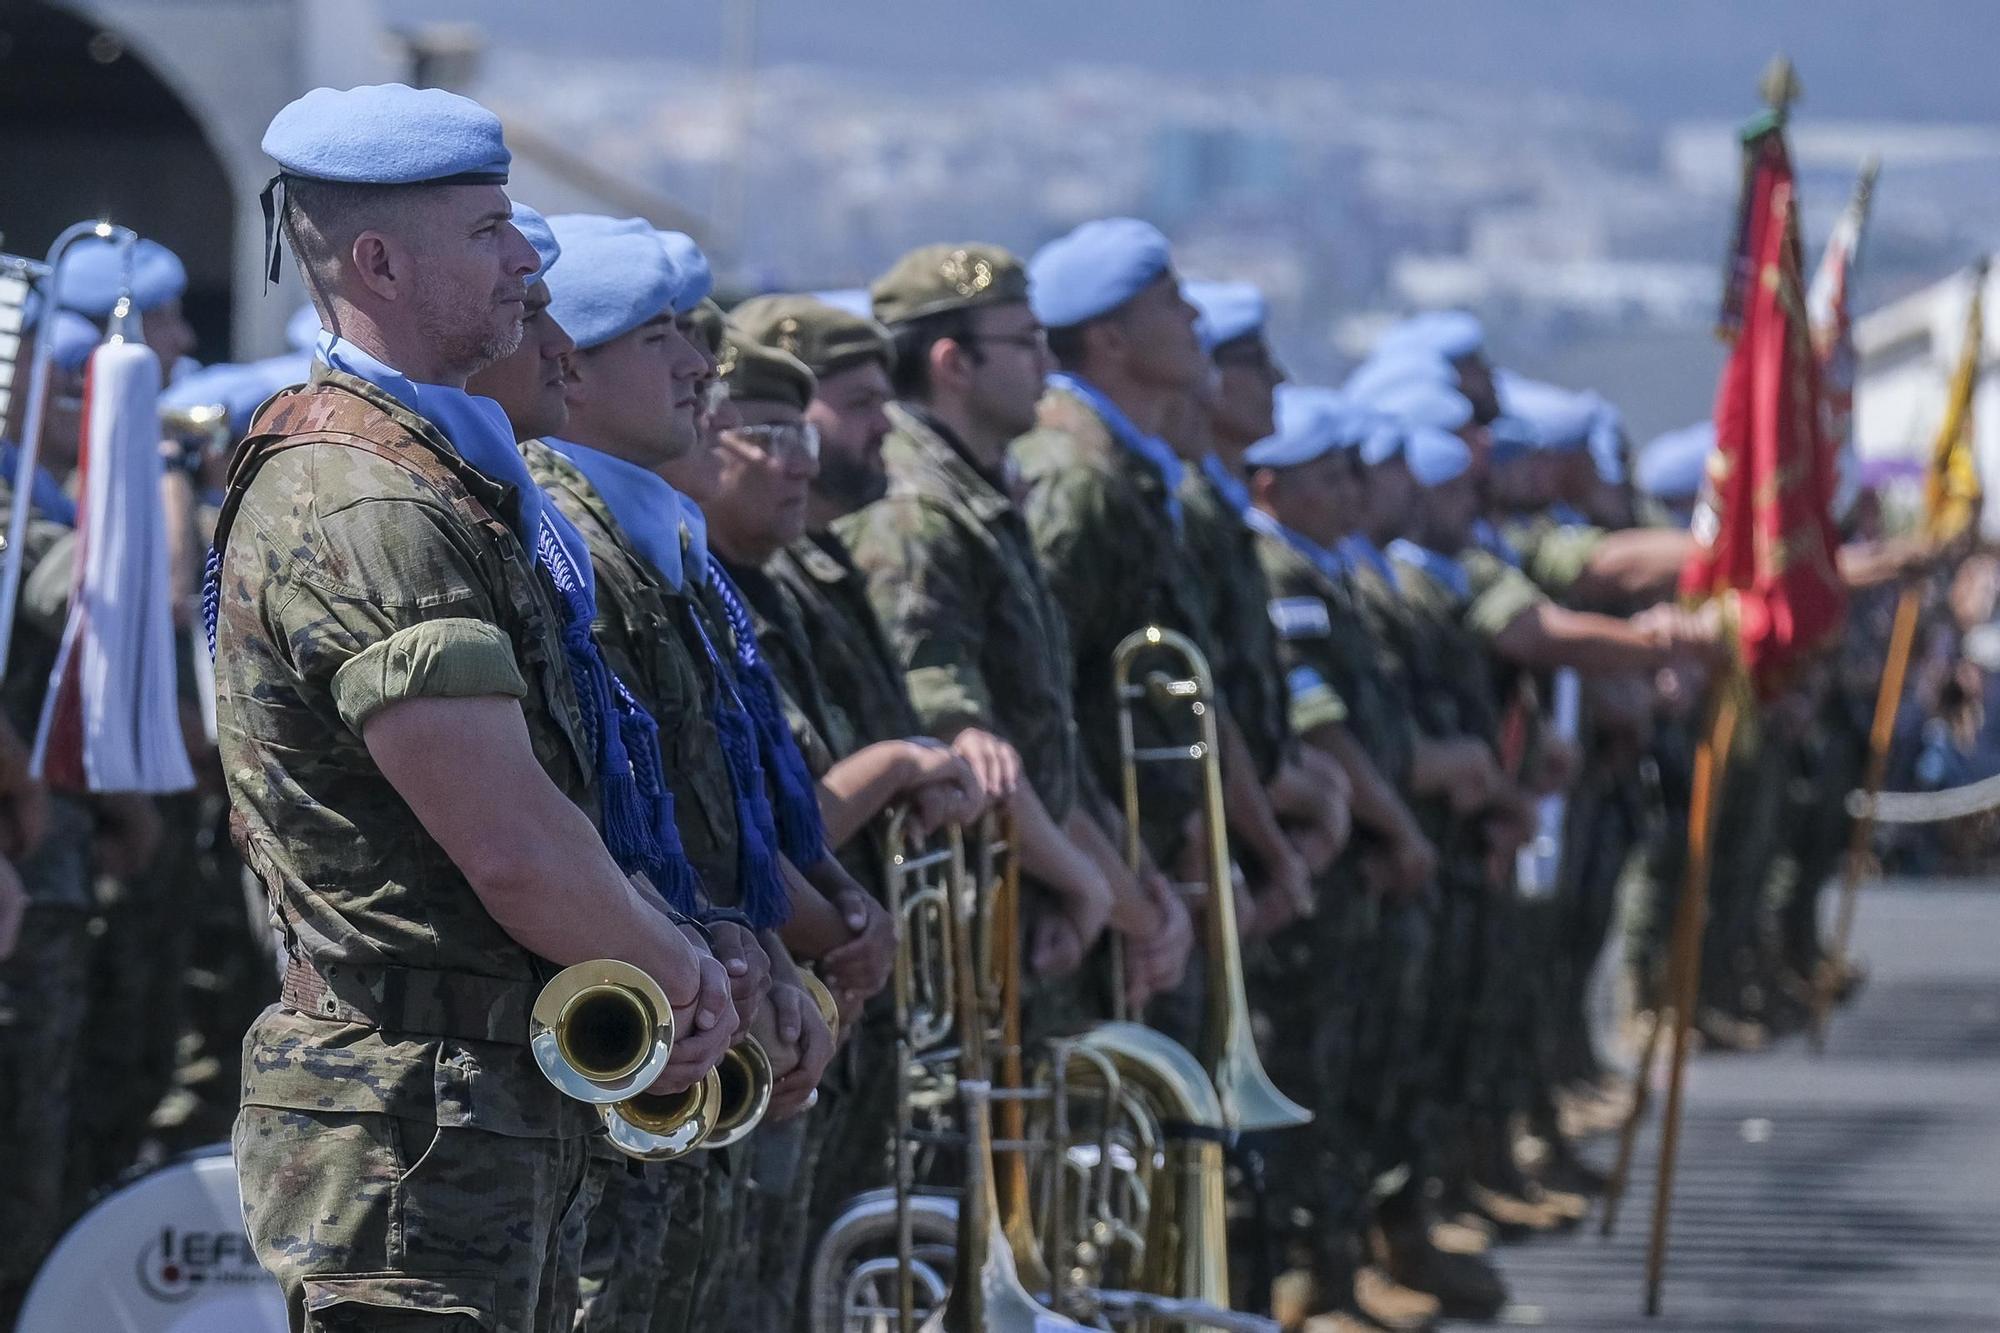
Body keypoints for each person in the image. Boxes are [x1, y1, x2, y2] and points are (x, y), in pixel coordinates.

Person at [217, 84, 734, 1333]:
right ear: (382, 260)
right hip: (408, 1124)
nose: (523, 259)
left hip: (473, 1101)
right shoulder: (366, 503)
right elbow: (507, 840)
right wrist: (681, 973)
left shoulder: (441, 477)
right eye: (490, 231)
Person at [847, 241, 1192, 1034]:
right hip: (963, 926)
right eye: (1026, 343)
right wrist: (1102, 892)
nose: (1049, 361)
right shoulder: (916, 512)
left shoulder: (979, 498)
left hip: (1018, 898)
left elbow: (1044, 736)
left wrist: (1132, 879)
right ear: (953, 364)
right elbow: (960, 734)